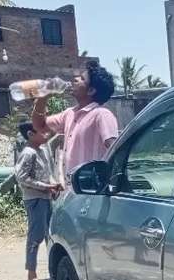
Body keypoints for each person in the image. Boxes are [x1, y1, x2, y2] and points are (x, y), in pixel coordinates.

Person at [31, 59, 118, 188]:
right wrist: (42, 98)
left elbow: (114, 149)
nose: (75, 79)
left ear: (91, 91)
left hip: (92, 191)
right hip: (73, 192)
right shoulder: (69, 114)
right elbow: (40, 126)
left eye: (82, 79)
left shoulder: (101, 115)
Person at [14, 122, 62, 280]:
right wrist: (46, 187)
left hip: (47, 197)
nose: (46, 135)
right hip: (35, 199)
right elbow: (22, 178)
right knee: (35, 236)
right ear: (30, 134)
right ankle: (31, 275)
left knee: (50, 234)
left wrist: (54, 184)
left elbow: (48, 174)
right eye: (42, 132)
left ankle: (53, 270)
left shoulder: (43, 151)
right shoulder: (28, 153)